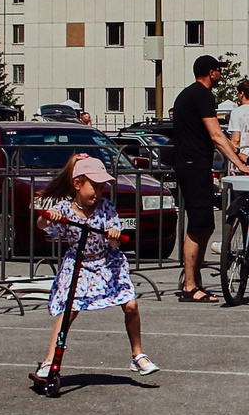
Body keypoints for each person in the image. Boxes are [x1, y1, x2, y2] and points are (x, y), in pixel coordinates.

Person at [29, 153, 155, 384]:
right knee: (69, 310)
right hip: (78, 264)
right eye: (94, 187)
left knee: (131, 305)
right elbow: (43, 225)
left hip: (107, 262)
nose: (98, 194)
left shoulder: (105, 208)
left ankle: (138, 355)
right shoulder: (65, 209)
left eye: (101, 188)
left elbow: (115, 240)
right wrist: (49, 218)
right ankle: (50, 361)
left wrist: (114, 236)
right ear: (78, 184)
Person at [169, 54, 249, 303]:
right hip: (193, 165)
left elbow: (212, 137)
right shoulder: (202, 94)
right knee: (199, 225)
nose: (220, 74)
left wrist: (239, 154)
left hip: (193, 165)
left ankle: (194, 279)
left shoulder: (190, 94)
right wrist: (239, 165)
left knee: (205, 224)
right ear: (211, 73)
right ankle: (189, 285)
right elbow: (216, 135)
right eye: (218, 70)